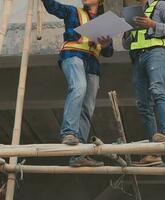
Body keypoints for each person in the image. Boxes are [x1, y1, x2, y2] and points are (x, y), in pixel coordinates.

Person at [41, 0, 114, 167]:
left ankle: (78, 154)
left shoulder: (104, 22)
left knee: (88, 106)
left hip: (93, 63)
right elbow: (53, 7)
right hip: (73, 55)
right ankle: (68, 133)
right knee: (78, 88)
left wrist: (106, 43)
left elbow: (109, 52)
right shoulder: (73, 12)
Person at [122, 0, 165, 166]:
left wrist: (152, 24)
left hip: (155, 53)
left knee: (157, 90)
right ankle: (153, 153)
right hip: (137, 57)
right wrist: (126, 34)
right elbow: (126, 45)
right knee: (143, 104)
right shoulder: (134, 13)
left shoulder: (162, 6)